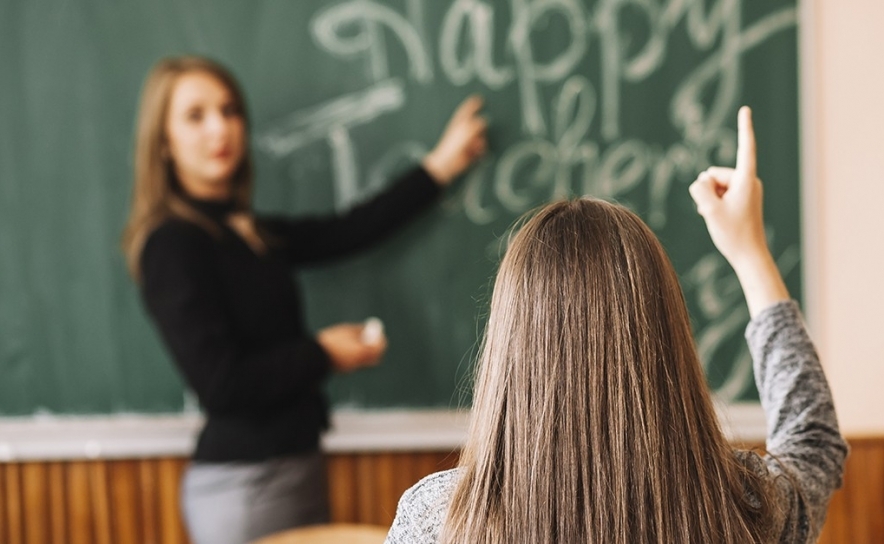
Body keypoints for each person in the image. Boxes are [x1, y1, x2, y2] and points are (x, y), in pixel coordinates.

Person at [385, 107, 848, 543]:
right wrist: (750, 253)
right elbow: (813, 444)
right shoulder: (745, 506)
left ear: (510, 347)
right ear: (666, 336)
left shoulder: (440, 522)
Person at [121, 56, 486, 544]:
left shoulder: (249, 231)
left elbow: (349, 230)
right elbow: (221, 383)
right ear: (163, 143)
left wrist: (442, 165)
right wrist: (324, 354)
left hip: (294, 468)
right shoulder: (171, 245)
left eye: (229, 110)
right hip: (244, 485)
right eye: (195, 115)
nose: (220, 128)